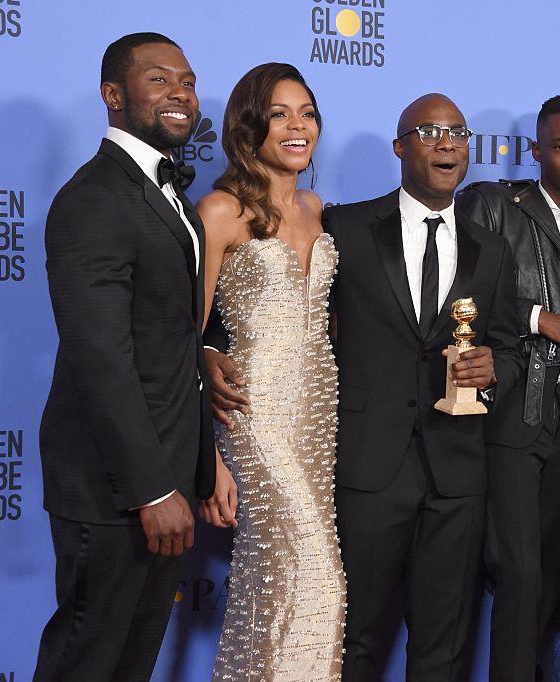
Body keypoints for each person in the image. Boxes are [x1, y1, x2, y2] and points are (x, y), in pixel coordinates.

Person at [207, 92, 523, 681]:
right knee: (350, 639)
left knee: (443, 650)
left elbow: (504, 343)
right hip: (364, 466)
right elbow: (267, 308)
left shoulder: (493, 249)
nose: (447, 142)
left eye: (457, 131)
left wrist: (496, 366)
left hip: (456, 472)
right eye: (429, 131)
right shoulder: (343, 226)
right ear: (399, 147)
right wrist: (206, 353)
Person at [34, 32, 215, 680]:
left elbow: (169, 340)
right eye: (159, 80)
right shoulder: (93, 200)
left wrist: (197, 468)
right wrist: (151, 488)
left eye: (188, 82)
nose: (180, 95)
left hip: (164, 481)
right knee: (86, 663)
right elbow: (100, 356)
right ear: (113, 95)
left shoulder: (171, 198)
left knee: (130, 666)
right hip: (113, 490)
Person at [457, 94, 560, 682]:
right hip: (513, 408)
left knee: (555, 570)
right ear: (534, 151)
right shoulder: (495, 204)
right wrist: (535, 317)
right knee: (519, 570)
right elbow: (457, 292)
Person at [197, 63, 344, 680]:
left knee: (274, 584)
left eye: (307, 112)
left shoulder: (314, 207)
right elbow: (183, 335)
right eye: (280, 113)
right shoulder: (220, 211)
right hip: (252, 414)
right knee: (317, 575)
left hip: (318, 413)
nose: (297, 126)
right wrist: (210, 458)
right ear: (249, 125)